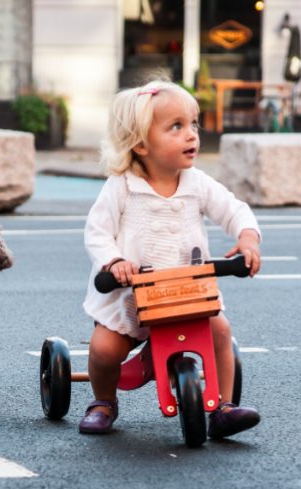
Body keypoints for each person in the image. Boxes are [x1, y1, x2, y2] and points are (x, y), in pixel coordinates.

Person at [81, 79, 262, 439]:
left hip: (188, 296)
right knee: (104, 350)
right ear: (140, 143)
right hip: (130, 300)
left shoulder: (198, 183)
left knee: (220, 331)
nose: (191, 134)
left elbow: (234, 209)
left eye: (193, 124)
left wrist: (247, 236)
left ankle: (222, 406)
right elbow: (96, 232)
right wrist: (114, 262)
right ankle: (103, 401)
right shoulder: (122, 186)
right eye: (176, 127)